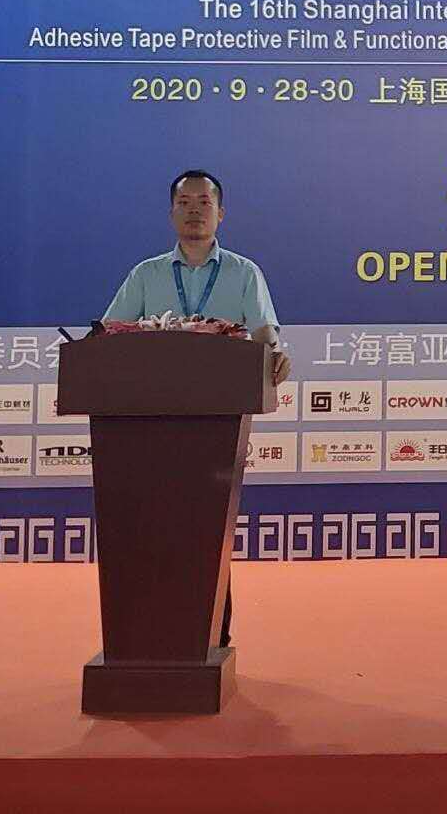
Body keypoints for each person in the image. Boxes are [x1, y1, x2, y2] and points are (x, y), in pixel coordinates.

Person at [102, 169, 290, 647]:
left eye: (203, 203)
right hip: (147, 424)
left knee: (206, 527)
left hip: (216, 422)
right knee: (148, 524)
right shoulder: (145, 274)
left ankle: (209, 635)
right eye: (184, 202)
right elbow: (108, 336)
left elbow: (265, 334)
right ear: (171, 213)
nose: (194, 211)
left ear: (220, 213)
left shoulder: (244, 273)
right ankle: (143, 635)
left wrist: (277, 354)